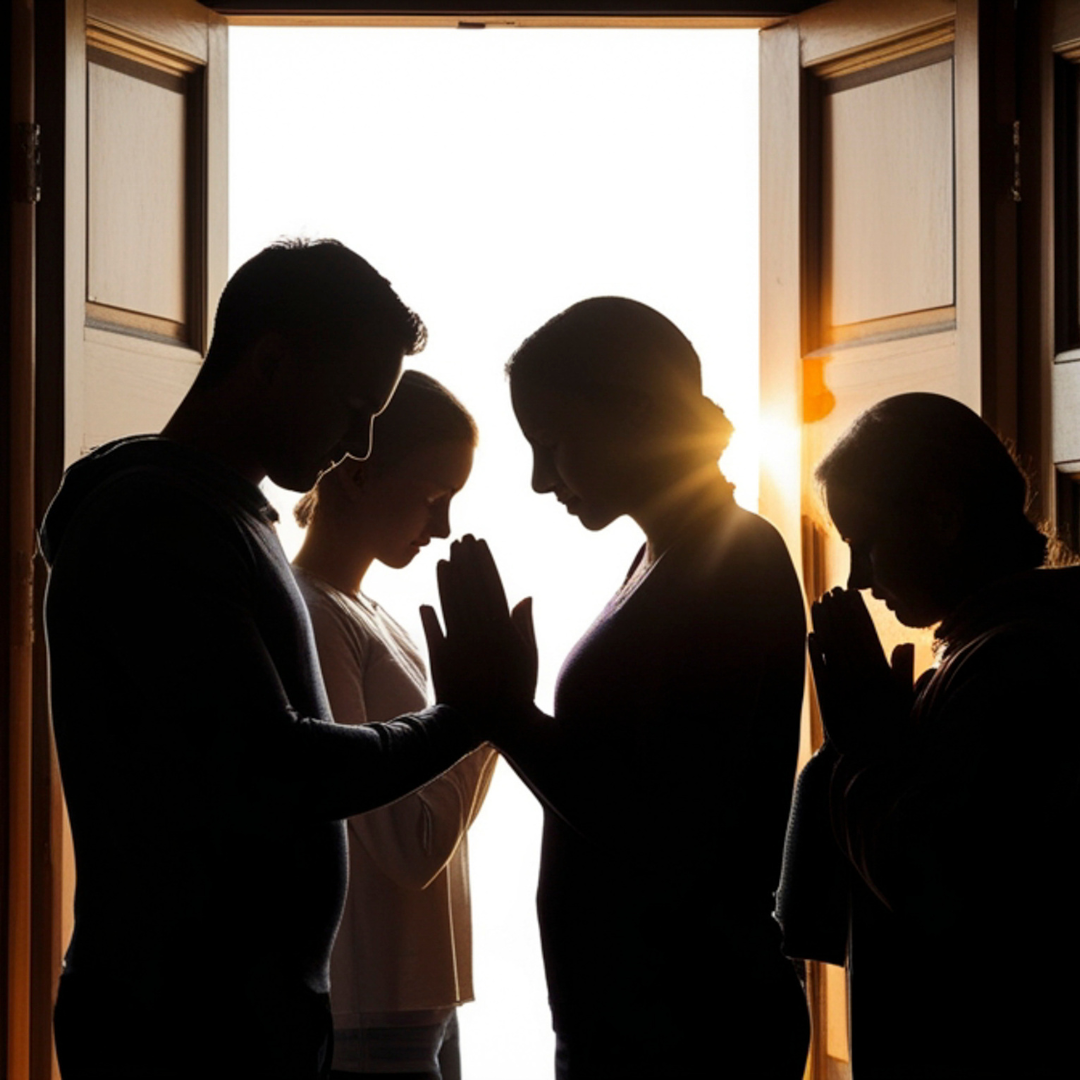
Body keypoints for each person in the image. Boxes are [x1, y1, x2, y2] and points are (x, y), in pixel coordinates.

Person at [40, 240, 491, 1080]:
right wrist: (466, 718)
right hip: (179, 1023)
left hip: (239, 1012)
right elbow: (275, 767)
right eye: (355, 405)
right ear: (274, 360)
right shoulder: (156, 522)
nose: (359, 446)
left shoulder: (222, 519)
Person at [423, 298, 810, 1078]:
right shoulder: (667, 556)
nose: (539, 479)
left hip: (691, 1026)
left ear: (634, 410)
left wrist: (506, 714)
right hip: (636, 1022)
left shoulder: (733, 560)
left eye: (553, 442)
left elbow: (666, 831)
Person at [775, 392, 1080, 1078]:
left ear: (942, 516)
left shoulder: (1014, 663)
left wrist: (863, 746)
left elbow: (936, 891)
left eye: (867, 542)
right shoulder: (996, 647)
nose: (856, 576)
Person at [290, 371, 497, 1079]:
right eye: (434, 497)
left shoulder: (370, 616)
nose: (441, 528)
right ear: (355, 476)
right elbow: (411, 848)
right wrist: (487, 711)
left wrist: (483, 712)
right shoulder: (316, 618)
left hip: (416, 998)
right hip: (372, 1006)